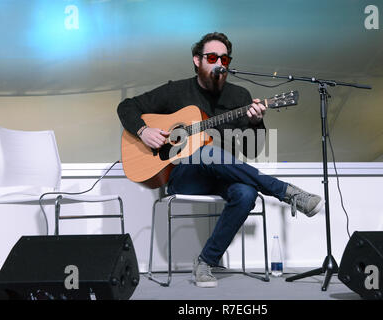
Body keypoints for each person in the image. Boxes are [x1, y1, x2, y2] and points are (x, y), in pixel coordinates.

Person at [117, 32, 323, 288]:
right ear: (197, 60)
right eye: (212, 57)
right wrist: (144, 131)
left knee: (246, 193)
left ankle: (205, 261)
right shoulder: (176, 91)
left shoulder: (239, 96)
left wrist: (256, 122)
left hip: (226, 175)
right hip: (182, 177)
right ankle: (286, 191)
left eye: (224, 58)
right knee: (205, 151)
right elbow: (126, 106)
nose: (219, 63)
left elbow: (252, 150)